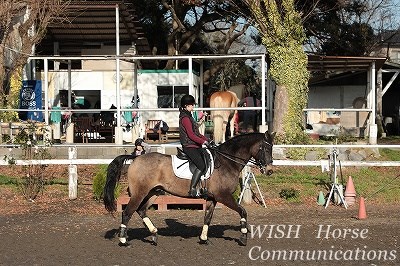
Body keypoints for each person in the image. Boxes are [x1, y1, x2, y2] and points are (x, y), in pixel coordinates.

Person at [179, 94, 213, 198]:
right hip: (189, 146)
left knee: (208, 159)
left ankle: (204, 187)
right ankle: (192, 188)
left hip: (194, 145)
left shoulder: (190, 117)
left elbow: (197, 133)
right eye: (191, 105)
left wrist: (207, 140)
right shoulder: (185, 118)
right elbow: (191, 135)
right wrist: (203, 142)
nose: (193, 107)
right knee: (201, 165)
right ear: (186, 106)